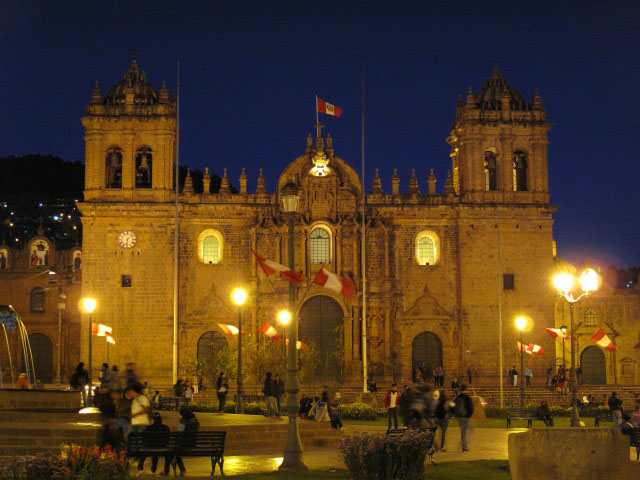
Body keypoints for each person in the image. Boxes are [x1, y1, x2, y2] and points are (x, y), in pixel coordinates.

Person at [175, 407, 199, 476]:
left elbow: (178, 433)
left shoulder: (183, 423)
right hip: (193, 445)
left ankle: (182, 470)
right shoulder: (195, 423)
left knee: (175, 453)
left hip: (184, 446)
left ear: (183, 415)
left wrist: (180, 421)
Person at [454, 384, 473, 452]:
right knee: (469, 431)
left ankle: (463, 445)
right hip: (466, 417)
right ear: (466, 389)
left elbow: (453, 406)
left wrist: (457, 415)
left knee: (463, 431)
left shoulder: (458, 397)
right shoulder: (467, 397)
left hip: (459, 417)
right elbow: (470, 407)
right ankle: (464, 446)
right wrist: (469, 415)